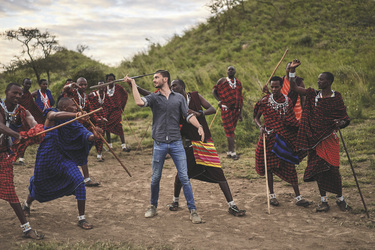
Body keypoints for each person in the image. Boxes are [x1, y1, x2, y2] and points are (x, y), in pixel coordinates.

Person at [124, 70, 204, 224]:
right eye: (153, 77)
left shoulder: (179, 98)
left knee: (184, 178)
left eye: (156, 77)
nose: (154, 80)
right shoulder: (154, 97)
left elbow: (188, 115)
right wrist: (133, 84)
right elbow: (139, 102)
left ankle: (192, 210)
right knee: (155, 178)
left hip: (176, 143)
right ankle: (153, 206)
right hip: (159, 144)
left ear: (165, 79)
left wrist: (198, 125)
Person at [168, 79, 246, 216]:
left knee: (219, 173)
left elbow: (212, 108)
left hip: (204, 141)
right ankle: (175, 201)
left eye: (174, 85)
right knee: (181, 174)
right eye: (171, 86)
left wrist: (199, 113)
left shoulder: (195, 96)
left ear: (182, 86)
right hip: (188, 143)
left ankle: (232, 205)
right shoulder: (174, 103)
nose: (172, 87)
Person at [23, 97, 102, 230]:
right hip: (47, 156)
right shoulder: (52, 113)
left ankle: (81, 218)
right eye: (73, 106)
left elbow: (86, 135)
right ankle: (26, 204)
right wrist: (76, 115)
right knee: (39, 183)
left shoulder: (75, 124)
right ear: (65, 107)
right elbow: (54, 115)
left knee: (79, 181)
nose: (76, 108)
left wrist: (95, 135)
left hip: (64, 158)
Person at [289, 60, 352, 212]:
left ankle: (340, 198)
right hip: (315, 140)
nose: (318, 81)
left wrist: (340, 123)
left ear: (329, 82)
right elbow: (294, 88)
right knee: (319, 169)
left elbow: (345, 119)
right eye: (318, 79)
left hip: (329, 139)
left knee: (334, 169)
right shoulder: (313, 94)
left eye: (321, 79)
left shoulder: (336, 97)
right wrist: (292, 71)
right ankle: (323, 200)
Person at [253, 76, 311, 207]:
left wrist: (300, 128)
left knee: (289, 165)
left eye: (276, 87)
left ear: (281, 87)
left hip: (283, 138)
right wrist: (260, 127)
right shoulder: (264, 101)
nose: (274, 89)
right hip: (268, 138)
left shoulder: (288, 101)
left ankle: (298, 197)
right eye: (272, 87)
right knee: (268, 166)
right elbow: (256, 117)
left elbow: (290, 119)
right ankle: (272, 196)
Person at [0, 83, 44, 239]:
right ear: (6, 92)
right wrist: (17, 135)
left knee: (11, 193)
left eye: (20, 94)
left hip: (3, 156)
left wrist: (37, 130)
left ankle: (26, 228)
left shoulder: (21, 110)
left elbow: (31, 120)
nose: (18, 96)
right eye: (14, 93)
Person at [62, 77, 100, 187]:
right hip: (70, 126)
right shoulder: (72, 93)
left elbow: (89, 110)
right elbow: (65, 90)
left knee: (82, 149)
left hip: (81, 128)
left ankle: (86, 178)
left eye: (85, 84)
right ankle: (65, 177)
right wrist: (70, 85)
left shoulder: (85, 96)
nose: (83, 87)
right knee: (66, 152)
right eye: (81, 85)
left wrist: (97, 119)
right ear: (77, 85)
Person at [212, 66, 243, 160]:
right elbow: (214, 91)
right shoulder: (222, 81)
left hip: (236, 110)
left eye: (232, 69)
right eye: (229, 69)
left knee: (231, 130)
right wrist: (219, 101)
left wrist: (240, 113)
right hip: (226, 110)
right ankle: (233, 152)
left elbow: (240, 98)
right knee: (229, 131)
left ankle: (229, 151)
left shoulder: (238, 83)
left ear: (235, 71)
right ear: (226, 71)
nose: (231, 71)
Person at [13, 78, 44, 165]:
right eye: (26, 84)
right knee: (17, 140)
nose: (28, 86)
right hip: (17, 120)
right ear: (23, 83)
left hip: (26, 120)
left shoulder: (29, 95)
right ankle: (12, 157)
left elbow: (32, 106)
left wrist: (41, 114)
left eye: (29, 84)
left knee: (25, 140)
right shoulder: (18, 94)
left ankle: (21, 159)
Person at [88, 81, 114, 162]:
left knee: (101, 135)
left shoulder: (106, 96)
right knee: (96, 136)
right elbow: (89, 105)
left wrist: (105, 114)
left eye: (103, 86)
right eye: (100, 86)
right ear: (97, 87)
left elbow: (111, 106)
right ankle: (98, 153)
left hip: (103, 119)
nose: (102, 87)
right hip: (94, 118)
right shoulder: (93, 95)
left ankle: (99, 154)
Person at [105, 73, 130, 152]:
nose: (111, 81)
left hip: (116, 111)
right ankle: (110, 146)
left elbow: (125, 95)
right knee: (107, 128)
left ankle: (123, 146)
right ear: (106, 80)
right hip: (107, 112)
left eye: (112, 79)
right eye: (109, 79)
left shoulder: (119, 88)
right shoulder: (104, 89)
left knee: (119, 127)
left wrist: (121, 106)